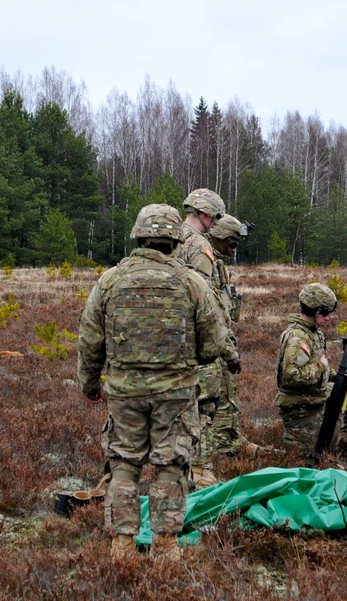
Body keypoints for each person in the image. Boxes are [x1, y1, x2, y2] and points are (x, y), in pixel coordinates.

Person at [77, 204, 238, 560]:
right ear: (175, 240)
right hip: (176, 394)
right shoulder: (192, 283)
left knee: (123, 464)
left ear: (138, 236)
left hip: (124, 392)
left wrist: (90, 387)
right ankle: (166, 547)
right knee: (170, 466)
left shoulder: (110, 281)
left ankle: (122, 545)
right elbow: (213, 344)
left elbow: (90, 341)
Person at [174, 188, 233, 488]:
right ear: (206, 214)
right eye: (214, 217)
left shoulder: (171, 237)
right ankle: (201, 471)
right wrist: (219, 341)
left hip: (170, 335)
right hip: (196, 339)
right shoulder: (199, 246)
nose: (215, 223)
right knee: (206, 405)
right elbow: (203, 298)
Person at [276, 283, 347, 462]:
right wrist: (321, 368)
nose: (328, 318)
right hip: (300, 405)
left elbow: (319, 365)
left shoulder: (314, 334)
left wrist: (339, 378)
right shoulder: (297, 337)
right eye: (324, 313)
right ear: (314, 311)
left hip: (316, 394)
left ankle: (343, 443)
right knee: (301, 461)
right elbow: (290, 377)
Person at [204, 215, 266, 460]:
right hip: (212, 338)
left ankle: (230, 438)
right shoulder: (204, 259)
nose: (235, 247)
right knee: (212, 394)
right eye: (232, 242)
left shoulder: (219, 264)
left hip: (223, 335)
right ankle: (215, 448)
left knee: (228, 387)